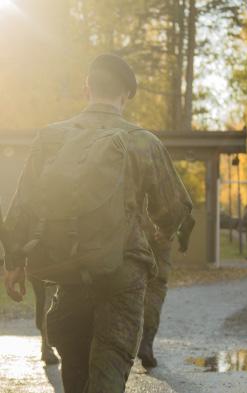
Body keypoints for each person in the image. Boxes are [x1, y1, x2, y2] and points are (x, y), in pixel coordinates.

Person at [3, 53, 192, 393]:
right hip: (121, 277)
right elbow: (174, 208)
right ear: (126, 95)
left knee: (75, 376)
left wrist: (14, 263)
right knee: (107, 376)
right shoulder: (143, 141)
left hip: (67, 272)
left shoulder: (50, 137)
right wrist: (161, 231)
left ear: (86, 88)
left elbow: (22, 206)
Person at [138, 213, 195, 368]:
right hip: (159, 242)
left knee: (126, 289)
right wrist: (181, 239)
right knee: (155, 290)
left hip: (130, 241)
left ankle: (120, 349)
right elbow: (186, 212)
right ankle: (146, 343)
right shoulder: (165, 188)